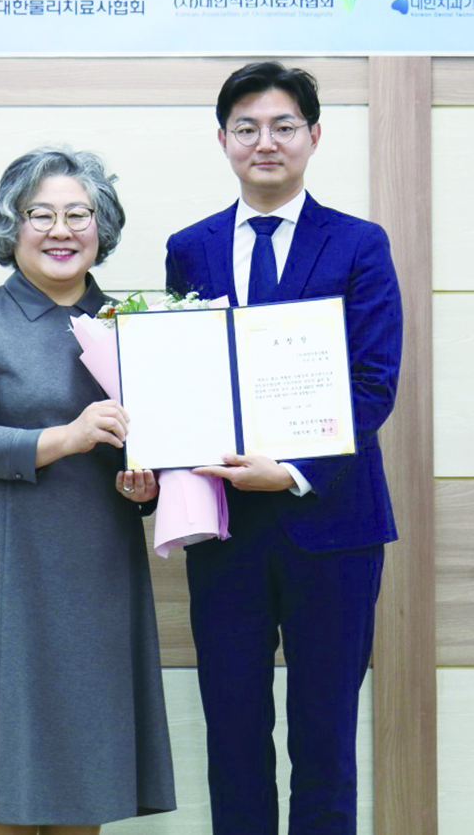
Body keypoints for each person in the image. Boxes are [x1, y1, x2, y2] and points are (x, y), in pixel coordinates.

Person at [165, 62, 402, 835]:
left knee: (324, 737)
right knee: (231, 736)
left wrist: (293, 471)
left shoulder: (360, 244)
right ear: (222, 140)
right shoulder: (189, 249)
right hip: (224, 528)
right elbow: (181, 377)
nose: (264, 142)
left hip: (331, 527)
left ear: (313, 136)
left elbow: (372, 384)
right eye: (246, 128)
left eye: (282, 126)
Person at [0, 147, 176, 835]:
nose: (61, 229)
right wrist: (67, 437)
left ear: (103, 226)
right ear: (11, 226)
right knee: (4, 787)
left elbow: (159, 454)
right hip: (10, 572)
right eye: (41, 214)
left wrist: (145, 489)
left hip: (99, 571)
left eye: (79, 213)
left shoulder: (133, 322)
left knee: (84, 783)